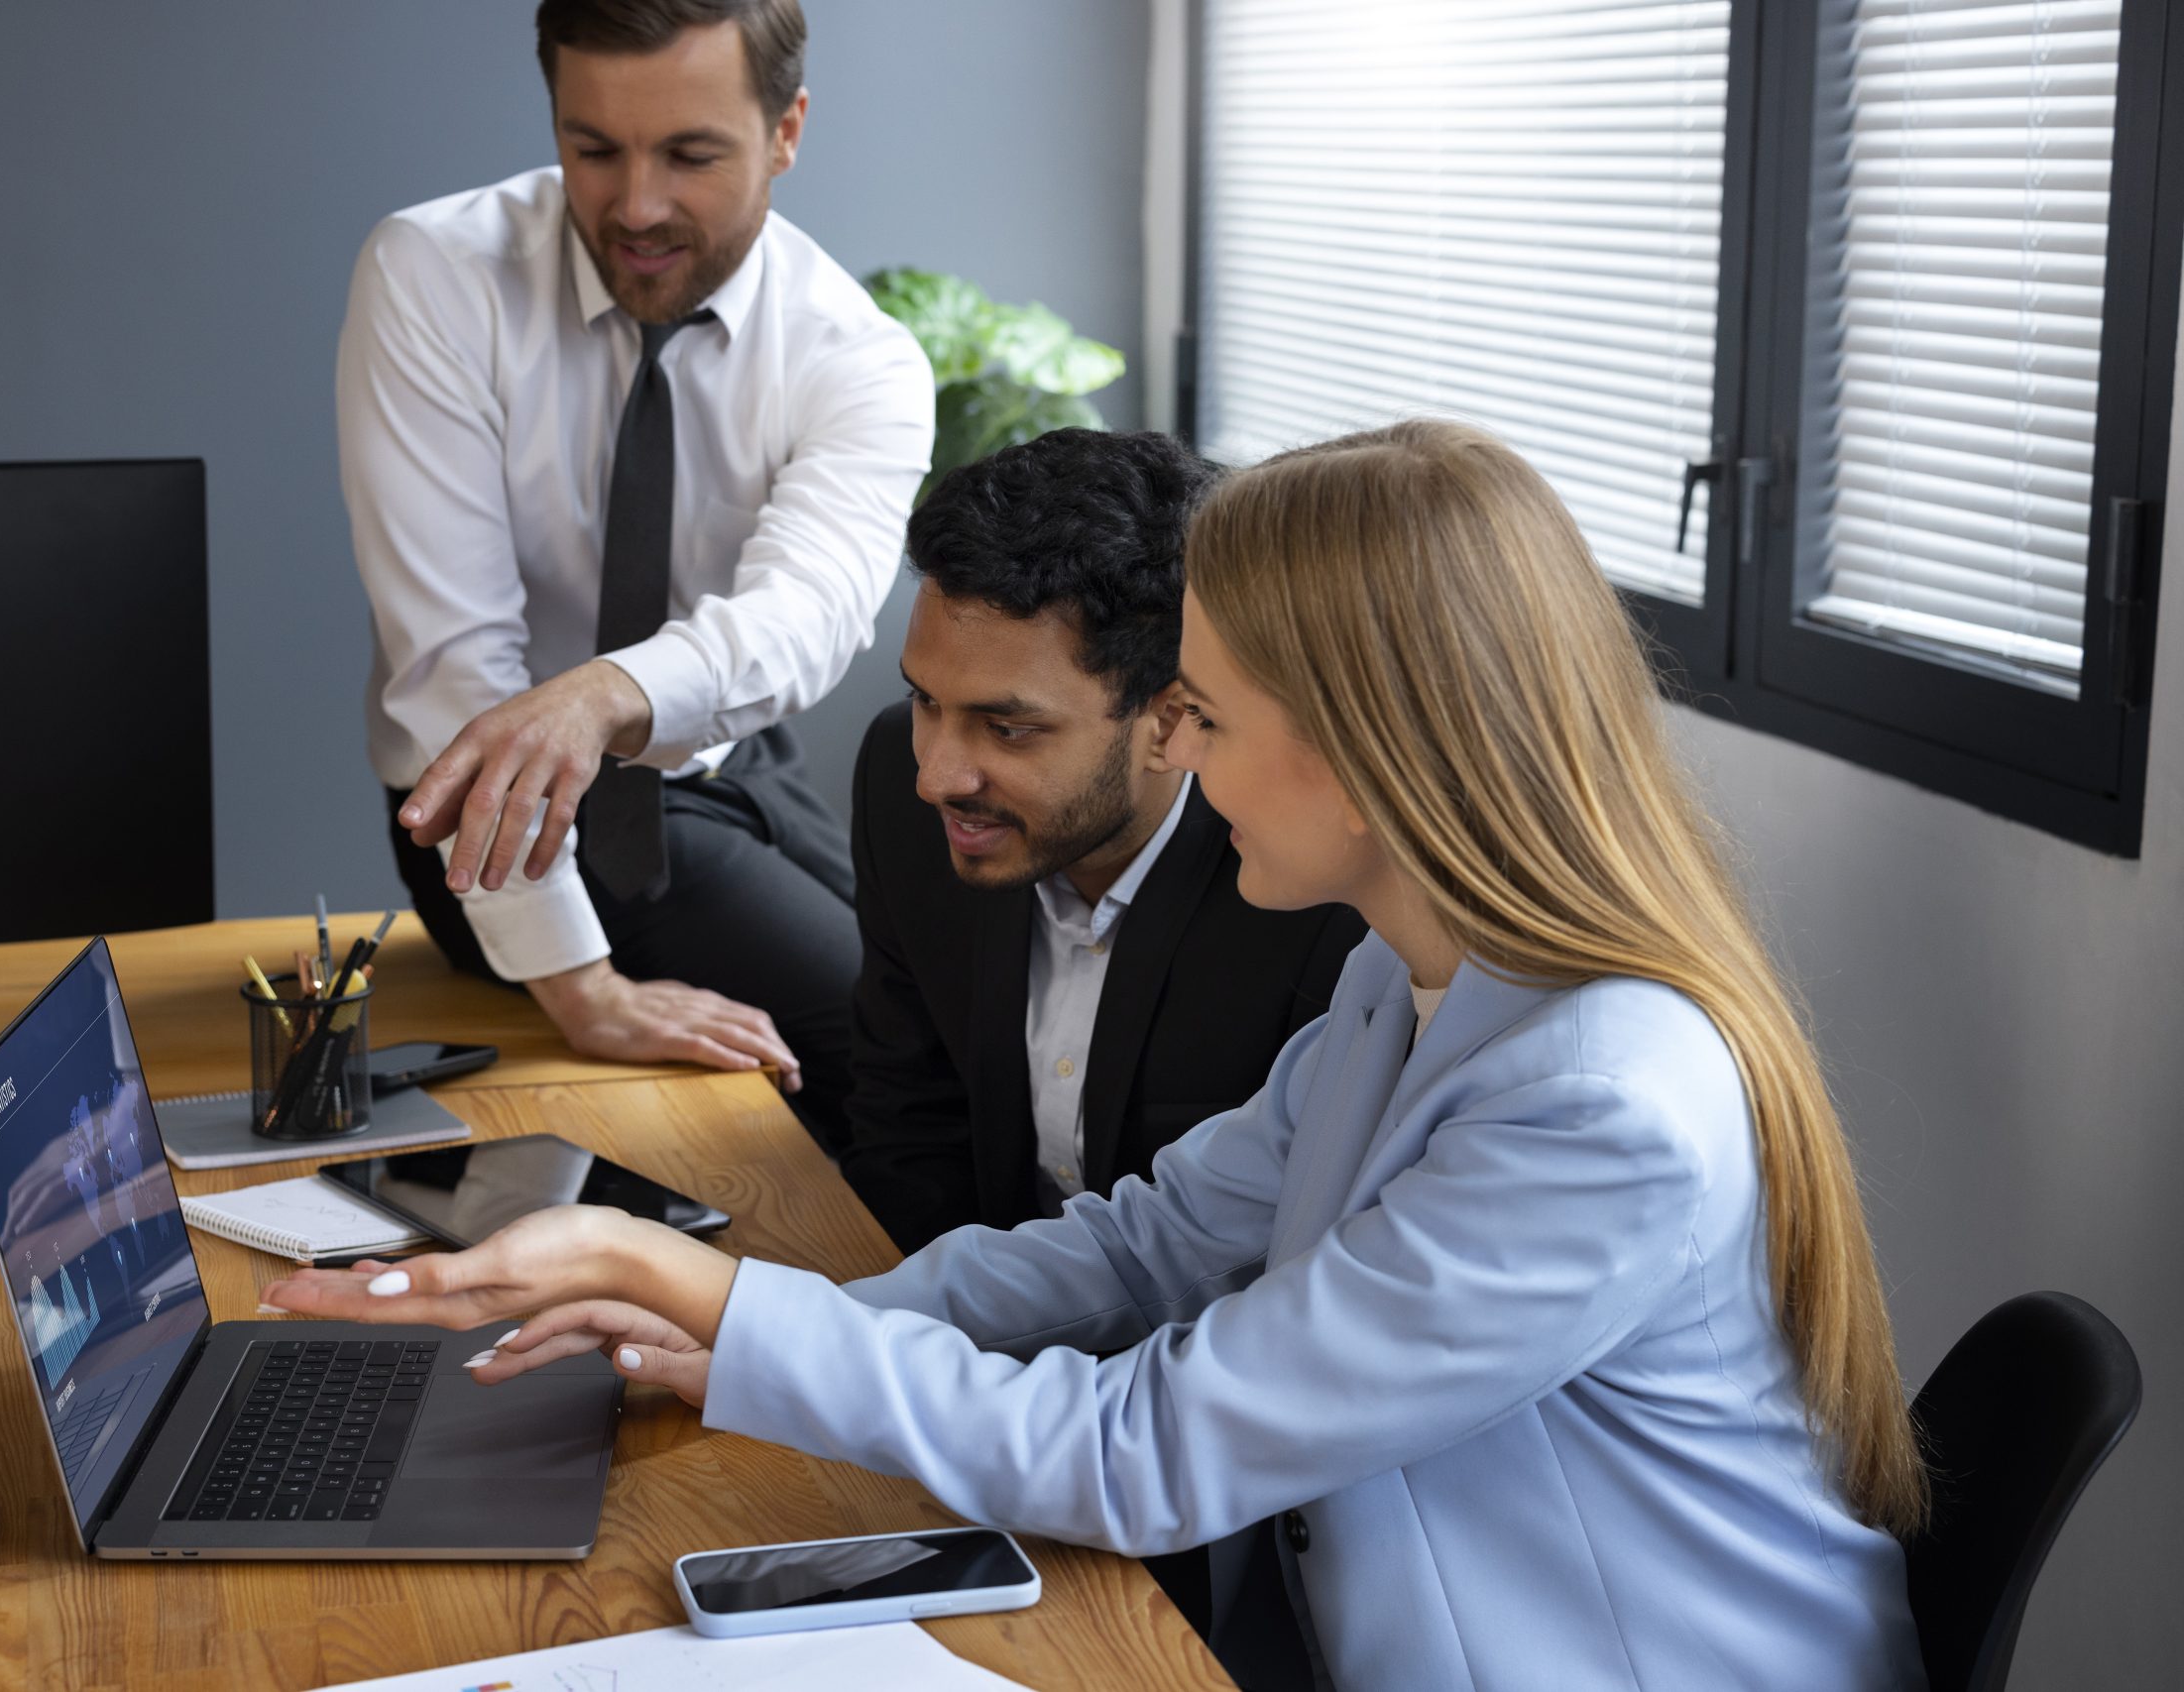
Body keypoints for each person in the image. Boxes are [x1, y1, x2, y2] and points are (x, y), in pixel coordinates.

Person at [270, 420, 1930, 1691]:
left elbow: (1156, 1446)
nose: (1184, 757)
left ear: (1366, 758)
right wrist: (745, 1329)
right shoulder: (1415, 982)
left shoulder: (1595, 1106)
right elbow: (1144, 1241)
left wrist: (704, 1290)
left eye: (1208, 714)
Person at [339, 0, 934, 1149]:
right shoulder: (433, 273)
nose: (637, 206)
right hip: (504, 812)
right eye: (594, 148)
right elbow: (452, 669)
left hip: (727, 765)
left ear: (786, 131)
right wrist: (584, 990)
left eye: (690, 154)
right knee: (882, 1048)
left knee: (955, 999)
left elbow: (810, 612)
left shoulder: (854, 357)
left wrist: (607, 692)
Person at [844, 428, 1361, 1253]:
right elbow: (907, 1121)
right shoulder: (895, 781)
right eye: (925, 701)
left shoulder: (1314, 883)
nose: (936, 776)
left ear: (1172, 721)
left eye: (1008, 729)